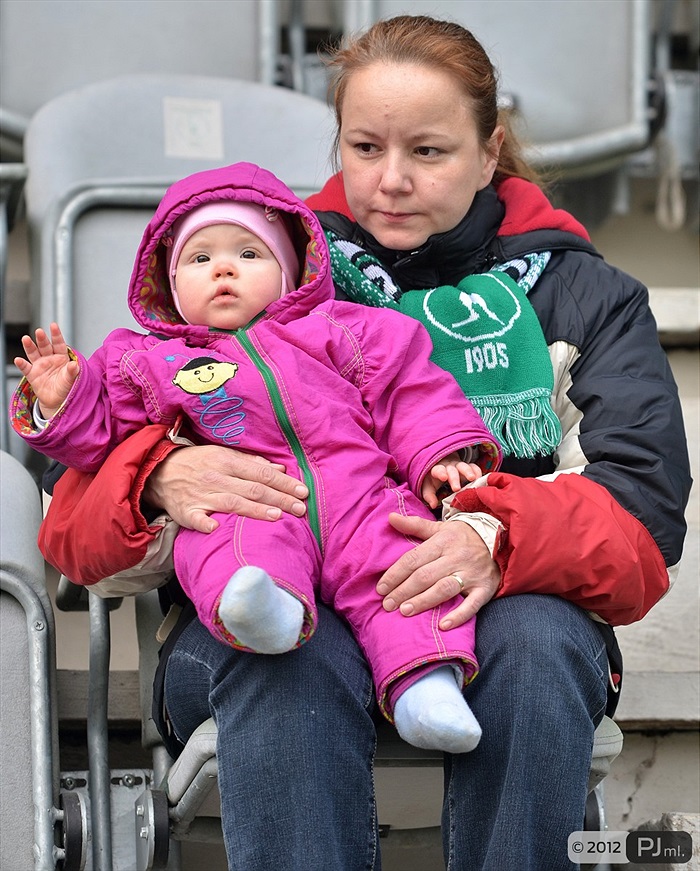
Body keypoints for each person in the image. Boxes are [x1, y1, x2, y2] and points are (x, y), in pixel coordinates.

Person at [31, 14, 691, 871]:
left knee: (534, 638)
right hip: (264, 608)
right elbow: (69, 508)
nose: (390, 182)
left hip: (493, 616)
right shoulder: (256, 264)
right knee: (289, 646)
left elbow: (642, 513)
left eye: (428, 152)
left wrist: (494, 538)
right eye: (365, 147)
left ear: (490, 152)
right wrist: (161, 474)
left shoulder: (584, 295)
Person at [11, 160, 504, 753]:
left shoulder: (346, 330)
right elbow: (98, 441)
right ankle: (263, 611)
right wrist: (62, 399)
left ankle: (428, 689)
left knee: (404, 572)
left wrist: (439, 456)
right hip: (253, 504)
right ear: (166, 287)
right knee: (224, 543)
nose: (223, 268)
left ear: (292, 270)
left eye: (248, 254)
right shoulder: (143, 362)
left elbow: (412, 395)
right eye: (199, 259)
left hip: (361, 501)